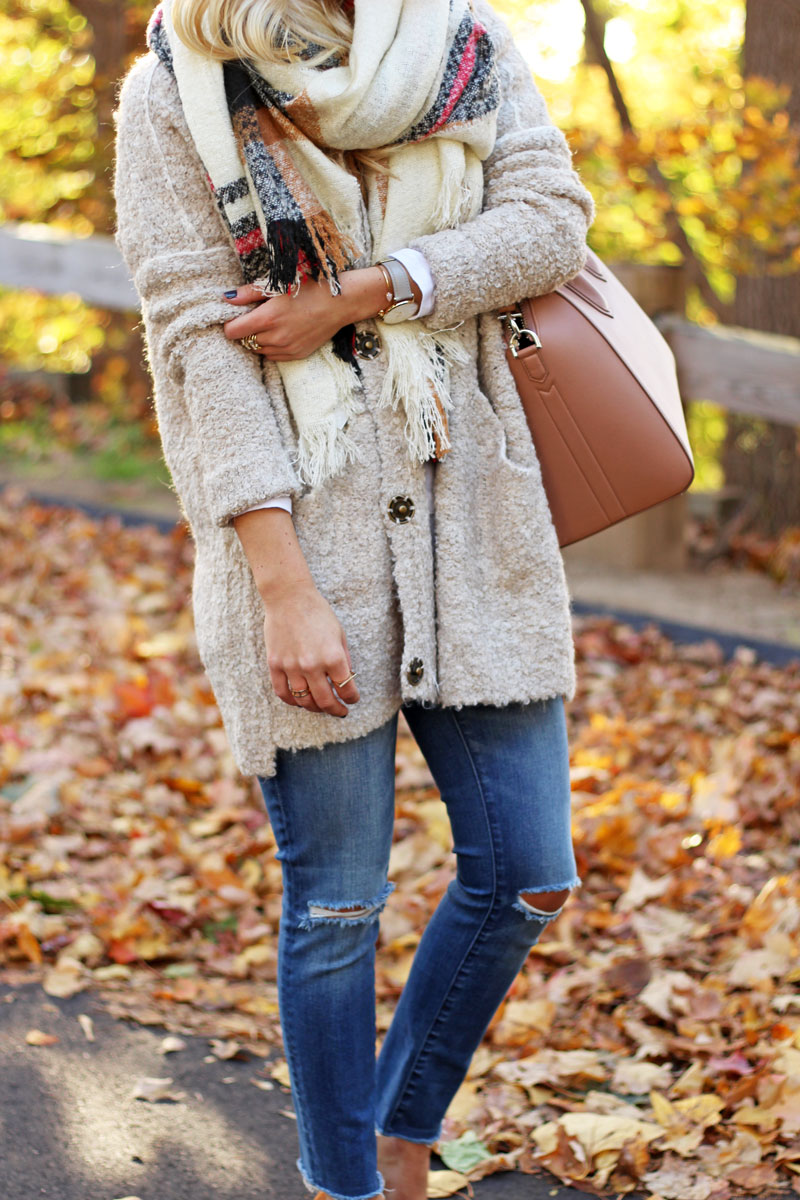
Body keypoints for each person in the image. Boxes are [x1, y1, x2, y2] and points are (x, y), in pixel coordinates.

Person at [113, 1, 596, 1197]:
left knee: (528, 867)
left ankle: (399, 1118)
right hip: (305, 527)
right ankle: (347, 1184)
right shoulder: (183, 78)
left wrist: (362, 290)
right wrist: (281, 585)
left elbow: (549, 224)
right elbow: (196, 334)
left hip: (470, 516)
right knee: (336, 904)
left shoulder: (463, 45)